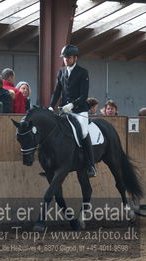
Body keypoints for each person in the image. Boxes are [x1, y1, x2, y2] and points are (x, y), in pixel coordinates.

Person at [49, 45, 96, 177]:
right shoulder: (61, 72)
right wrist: (51, 106)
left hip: (79, 110)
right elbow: (57, 91)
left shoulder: (83, 72)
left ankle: (91, 165)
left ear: (75, 58)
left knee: (83, 132)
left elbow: (84, 95)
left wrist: (72, 105)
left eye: (68, 57)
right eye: (64, 58)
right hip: (64, 110)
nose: (66, 60)